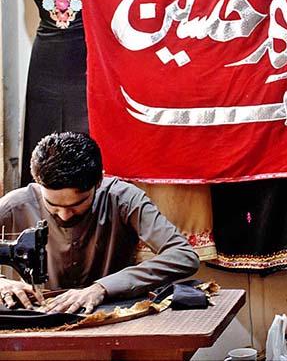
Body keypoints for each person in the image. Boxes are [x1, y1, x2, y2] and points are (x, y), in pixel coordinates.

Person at [0, 132, 200, 313]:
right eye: (52, 205)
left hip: (111, 314)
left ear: (99, 182)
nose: (64, 215)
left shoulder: (124, 199)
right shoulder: (15, 205)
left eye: (76, 205)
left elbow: (183, 255)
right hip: (41, 312)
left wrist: (103, 287)